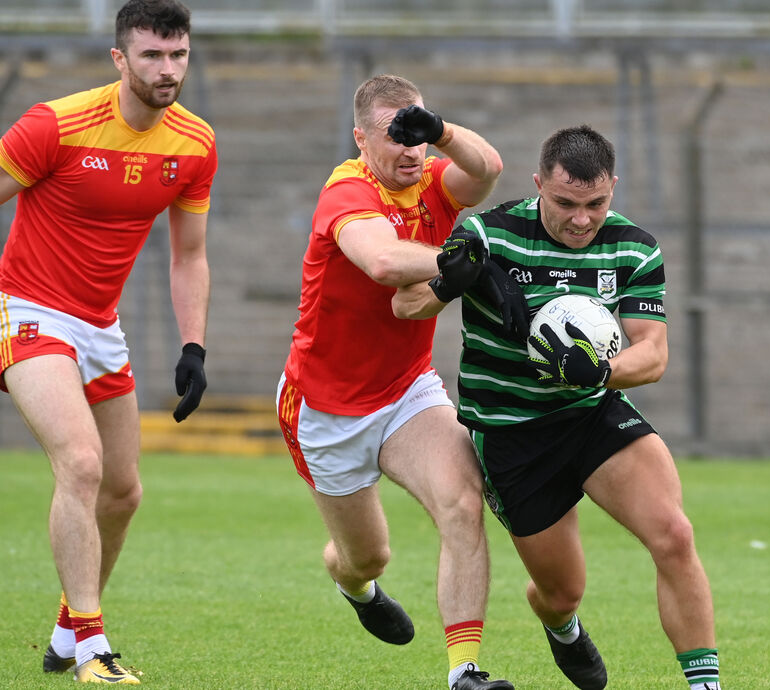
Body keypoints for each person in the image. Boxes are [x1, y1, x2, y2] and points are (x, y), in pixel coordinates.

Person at [393, 124, 720, 690]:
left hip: (592, 414)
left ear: (613, 187)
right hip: (512, 434)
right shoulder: (488, 232)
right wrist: (453, 279)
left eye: (596, 203)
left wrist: (600, 371)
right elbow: (407, 305)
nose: (581, 219)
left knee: (674, 534)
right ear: (538, 184)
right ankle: (562, 625)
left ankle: (706, 685)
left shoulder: (633, 246)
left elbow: (653, 354)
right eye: (565, 203)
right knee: (561, 589)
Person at [0, 0, 215, 683]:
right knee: (82, 464)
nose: (167, 68)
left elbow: (189, 256)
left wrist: (194, 347)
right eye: (152, 55)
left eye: (177, 54)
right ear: (119, 58)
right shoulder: (55, 125)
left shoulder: (195, 142)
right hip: (29, 309)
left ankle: (67, 631)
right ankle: (94, 649)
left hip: (100, 324)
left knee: (123, 491)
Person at [276, 74, 513, 690]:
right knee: (367, 555)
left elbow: (487, 171)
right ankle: (353, 584)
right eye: (396, 135)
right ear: (360, 139)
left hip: (407, 391)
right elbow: (382, 261)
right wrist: (469, 265)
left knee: (462, 503)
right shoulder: (346, 190)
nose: (412, 150)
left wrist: (443, 131)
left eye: (419, 134)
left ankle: (465, 670)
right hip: (324, 408)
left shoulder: (434, 181)